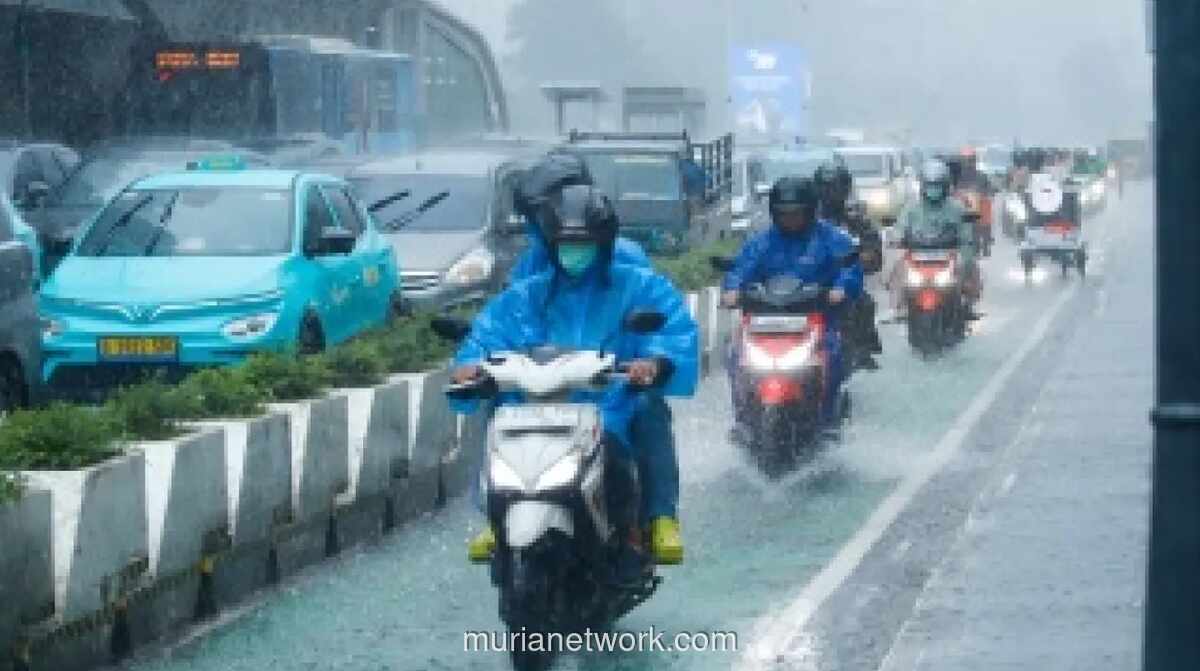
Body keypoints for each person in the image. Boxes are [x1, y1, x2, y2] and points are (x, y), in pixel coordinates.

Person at [455, 183, 698, 567]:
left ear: (604, 243)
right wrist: (472, 366)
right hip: (533, 406)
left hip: (611, 405)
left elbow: (673, 328)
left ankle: (659, 516)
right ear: (550, 243)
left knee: (650, 409)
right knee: (493, 409)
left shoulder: (637, 285)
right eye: (566, 243)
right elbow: (488, 334)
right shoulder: (526, 294)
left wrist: (653, 362)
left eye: (584, 243)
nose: (574, 251)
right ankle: (492, 512)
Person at [720, 176, 864, 428]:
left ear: (809, 211)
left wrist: (841, 288)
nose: (790, 219)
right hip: (764, 321)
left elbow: (850, 266)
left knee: (832, 354)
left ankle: (826, 419)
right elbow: (740, 269)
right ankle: (743, 418)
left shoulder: (831, 239)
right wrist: (732, 289)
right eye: (783, 213)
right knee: (735, 355)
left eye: (796, 213)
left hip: (815, 318)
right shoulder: (761, 243)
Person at [894, 159, 981, 324]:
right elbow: (900, 227)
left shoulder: (956, 207)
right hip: (918, 255)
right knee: (897, 268)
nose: (933, 190)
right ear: (923, 186)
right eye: (929, 185)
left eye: (937, 186)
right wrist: (896, 238)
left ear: (945, 186)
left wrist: (966, 243)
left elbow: (966, 231)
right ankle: (899, 306)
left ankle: (969, 302)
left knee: (969, 264)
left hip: (948, 254)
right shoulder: (912, 207)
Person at [815, 164, 883, 371]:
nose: (829, 193)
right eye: (825, 188)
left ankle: (861, 351)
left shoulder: (855, 221)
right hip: (806, 283)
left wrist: (866, 257)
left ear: (845, 189)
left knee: (864, 303)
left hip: (843, 283)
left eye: (835, 188)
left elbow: (873, 249)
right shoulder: (803, 220)